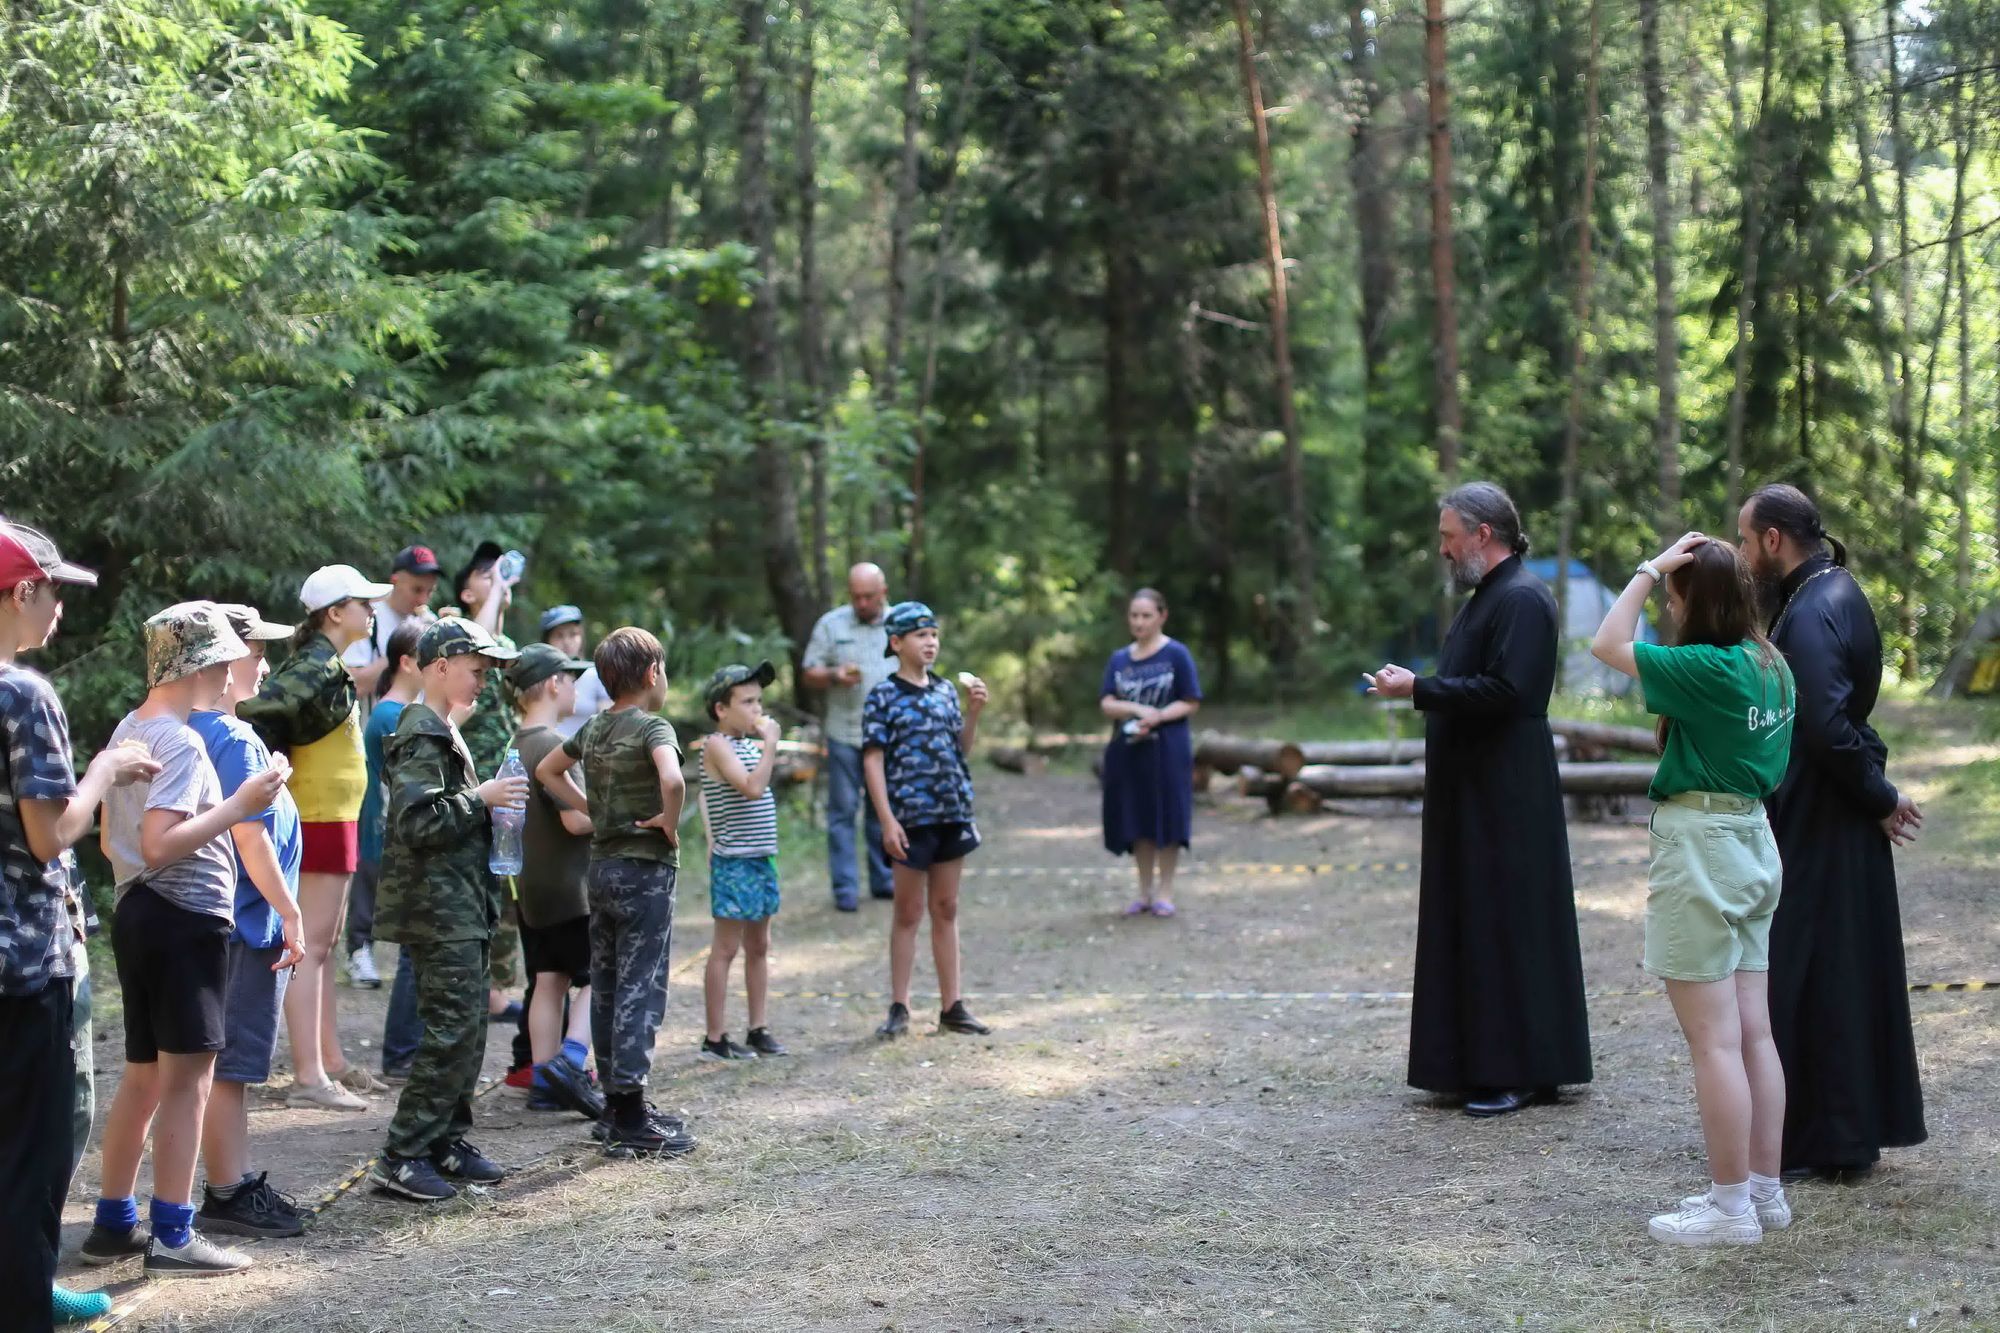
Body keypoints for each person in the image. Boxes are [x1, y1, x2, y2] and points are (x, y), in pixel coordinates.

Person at [1591, 535, 1798, 1246]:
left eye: (1675, 598)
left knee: (1714, 1042)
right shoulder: (1771, 664)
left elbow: (1606, 642)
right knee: (1754, 1032)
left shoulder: (1708, 667)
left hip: (1704, 845)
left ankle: (1730, 1209)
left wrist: (1649, 569)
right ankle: (1764, 1192)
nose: (1668, 608)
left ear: (1692, 600)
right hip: (1753, 838)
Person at [1367, 482, 1592, 1117]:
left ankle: (1518, 1069)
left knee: (1508, 923)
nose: (1442, 549)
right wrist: (1422, 688)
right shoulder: (1489, 597)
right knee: (1480, 918)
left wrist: (1420, 689)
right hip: (1476, 790)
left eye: (1448, 536)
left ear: (1482, 535)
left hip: (1506, 792)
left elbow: (1508, 693)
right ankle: (1480, 1063)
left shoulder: (1522, 598)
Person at [1738, 483, 1927, 1179]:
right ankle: (1831, 1132)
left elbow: (1823, 723)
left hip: (1825, 816)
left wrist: (1878, 795)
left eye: (1745, 540)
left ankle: (1832, 1137)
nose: (1742, 555)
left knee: (1821, 970)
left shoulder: (1820, 604)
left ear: (1774, 540)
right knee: (1828, 967)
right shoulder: (1820, 594)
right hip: (1824, 810)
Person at [89, 602, 284, 1278]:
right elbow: (159, 843)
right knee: (190, 1082)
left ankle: (114, 1222)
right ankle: (173, 1233)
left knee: (144, 1074)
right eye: (227, 658)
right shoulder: (181, 742)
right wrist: (240, 805)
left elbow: (115, 839)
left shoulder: (130, 727)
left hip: (139, 914)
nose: (235, 671)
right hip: (183, 920)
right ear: (200, 665)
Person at [0, 523, 158, 1328]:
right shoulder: (24, 695)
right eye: (54, 589)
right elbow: (50, 833)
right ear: (22, 590)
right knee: (33, 1152)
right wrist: (106, 768)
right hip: (25, 961)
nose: (59, 607)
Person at [368, 619, 526, 1202]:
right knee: (449, 1029)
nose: (483, 681)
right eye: (476, 670)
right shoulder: (421, 732)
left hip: (462, 901)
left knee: (469, 1028)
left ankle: (445, 1139)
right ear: (440, 666)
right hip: (438, 908)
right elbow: (416, 822)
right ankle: (403, 1154)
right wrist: (480, 798)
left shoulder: (445, 728)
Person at [536, 627, 697, 1159]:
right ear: (653, 674)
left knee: (605, 985)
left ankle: (613, 1106)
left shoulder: (595, 727)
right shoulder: (653, 726)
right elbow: (673, 781)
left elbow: (547, 770)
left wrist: (592, 809)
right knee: (640, 988)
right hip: (645, 872)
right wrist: (668, 822)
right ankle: (630, 1112)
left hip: (601, 871)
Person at [241, 564, 392, 1111]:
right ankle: (309, 1076)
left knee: (323, 948)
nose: (371, 610)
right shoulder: (314, 666)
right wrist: (265, 772)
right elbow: (255, 713)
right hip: (316, 818)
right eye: (363, 603)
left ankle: (330, 1061)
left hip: (334, 818)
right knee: (310, 948)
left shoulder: (328, 663)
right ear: (334, 613)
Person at [188, 604, 310, 1243]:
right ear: (223, 659)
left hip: (225, 919)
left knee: (222, 1062)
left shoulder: (198, 727)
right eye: (256, 653)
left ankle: (230, 1185)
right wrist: (290, 910)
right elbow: (248, 836)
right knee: (229, 1065)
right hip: (246, 923)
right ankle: (227, 1190)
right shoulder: (232, 739)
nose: (264, 666)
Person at [862, 602, 991, 1039]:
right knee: (908, 912)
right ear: (897, 643)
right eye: (921, 635)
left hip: (952, 812)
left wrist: (973, 713)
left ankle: (952, 1006)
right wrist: (887, 820)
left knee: (946, 908)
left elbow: (961, 749)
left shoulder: (945, 691)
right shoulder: (883, 696)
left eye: (934, 634)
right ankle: (899, 1006)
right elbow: (873, 760)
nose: (930, 642)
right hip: (909, 818)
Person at [505, 643, 604, 1117]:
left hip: (532, 890)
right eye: (570, 679)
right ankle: (571, 1062)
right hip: (571, 890)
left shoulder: (514, 744)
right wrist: (617, 814)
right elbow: (576, 821)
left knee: (548, 981)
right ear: (551, 684)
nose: (575, 688)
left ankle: (544, 1083)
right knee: (599, 977)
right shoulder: (553, 746)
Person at [342, 545, 441, 988]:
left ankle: (395, 941)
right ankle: (358, 946)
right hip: (370, 736)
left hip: (410, 727)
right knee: (372, 841)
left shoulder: (427, 618)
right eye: (417, 586)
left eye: (430, 587)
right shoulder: (371, 620)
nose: (424, 595)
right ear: (395, 580)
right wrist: (404, 646)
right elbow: (355, 681)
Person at [697, 661, 788, 1061]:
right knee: (726, 947)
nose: (757, 709)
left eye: (759, 701)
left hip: (760, 858)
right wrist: (771, 744)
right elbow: (752, 787)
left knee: (759, 944)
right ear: (721, 709)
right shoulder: (717, 744)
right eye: (747, 702)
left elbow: (715, 794)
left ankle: (758, 1028)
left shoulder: (748, 746)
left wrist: (763, 746)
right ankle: (715, 1037)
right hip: (734, 862)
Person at [454, 542, 527, 1025]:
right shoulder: (455, 630)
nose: (498, 580)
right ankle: (479, 990)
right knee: (478, 887)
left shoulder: (503, 644)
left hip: (502, 783)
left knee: (505, 887)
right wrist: (498, 589)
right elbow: (479, 641)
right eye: (486, 575)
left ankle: (496, 990)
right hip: (472, 781)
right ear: (466, 592)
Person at [1098, 589, 1203, 917]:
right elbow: (1107, 702)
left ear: (1162, 616)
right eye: (1134, 615)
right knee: (1138, 818)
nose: (1139, 622)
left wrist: (1158, 717)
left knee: (1168, 816)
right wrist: (1136, 710)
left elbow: (1191, 700)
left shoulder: (1176, 654)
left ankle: (1165, 892)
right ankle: (1144, 892)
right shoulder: (1119, 659)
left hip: (1168, 750)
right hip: (1129, 752)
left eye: (1146, 615)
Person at [802, 563, 897, 910]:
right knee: (842, 812)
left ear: (883, 592)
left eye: (868, 596)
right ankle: (845, 890)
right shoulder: (832, 624)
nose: (862, 603)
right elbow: (808, 672)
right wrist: (833, 675)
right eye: (856, 596)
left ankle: (884, 880)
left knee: (882, 809)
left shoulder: (901, 622)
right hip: (844, 733)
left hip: (889, 736)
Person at [366, 621, 427, 1081]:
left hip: (399, 838)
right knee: (414, 946)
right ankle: (402, 1052)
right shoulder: (391, 716)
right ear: (406, 662)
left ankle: (407, 1048)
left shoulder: (402, 713)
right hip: (399, 841)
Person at [340, 544, 443, 697]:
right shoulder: (367, 617)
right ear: (395, 581)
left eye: (430, 592)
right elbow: (353, 687)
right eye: (417, 590)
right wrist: (401, 650)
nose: (423, 600)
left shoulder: (427, 623)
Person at [542, 606, 610, 741]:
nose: (567, 642)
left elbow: (608, 721)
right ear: (547, 640)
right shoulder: (539, 677)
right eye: (559, 635)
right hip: (546, 749)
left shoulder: (596, 675)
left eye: (573, 634)